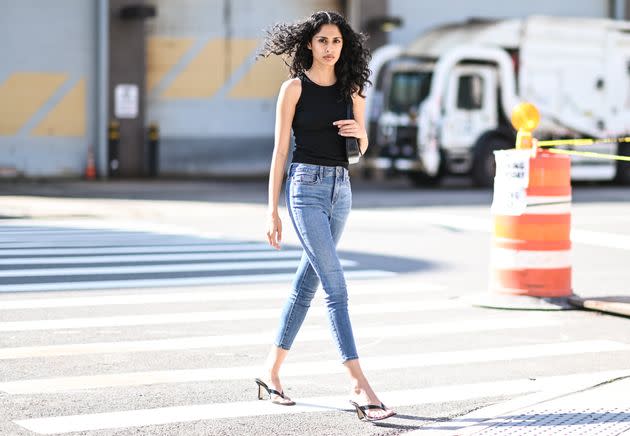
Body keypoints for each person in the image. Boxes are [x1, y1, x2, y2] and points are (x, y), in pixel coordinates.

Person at [255, 11, 396, 422]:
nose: (330, 49)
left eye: (336, 41)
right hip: (304, 190)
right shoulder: (293, 89)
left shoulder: (352, 88)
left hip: (342, 190)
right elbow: (280, 152)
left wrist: (361, 135)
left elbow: (363, 146)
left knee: (306, 285)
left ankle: (271, 371)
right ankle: (358, 384)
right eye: (323, 41)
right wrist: (272, 211)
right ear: (309, 45)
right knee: (336, 287)